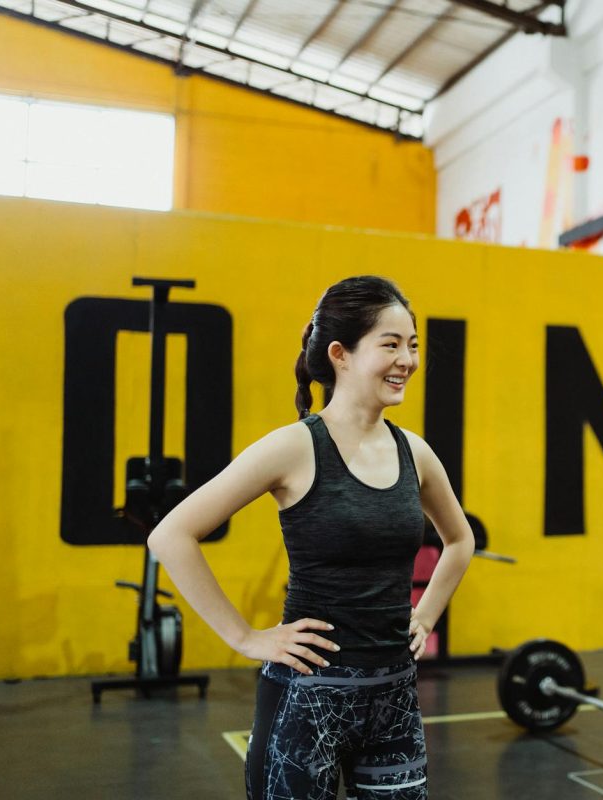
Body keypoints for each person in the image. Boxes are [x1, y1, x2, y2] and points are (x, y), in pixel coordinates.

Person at [149, 275, 474, 800]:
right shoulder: (294, 448)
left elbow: (460, 541)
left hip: (393, 701)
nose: (407, 360)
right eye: (390, 344)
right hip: (306, 703)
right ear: (340, 354)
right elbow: (171, 535)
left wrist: (427, 615)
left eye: (412, 345)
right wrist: (245, 638)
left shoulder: (415, 452)